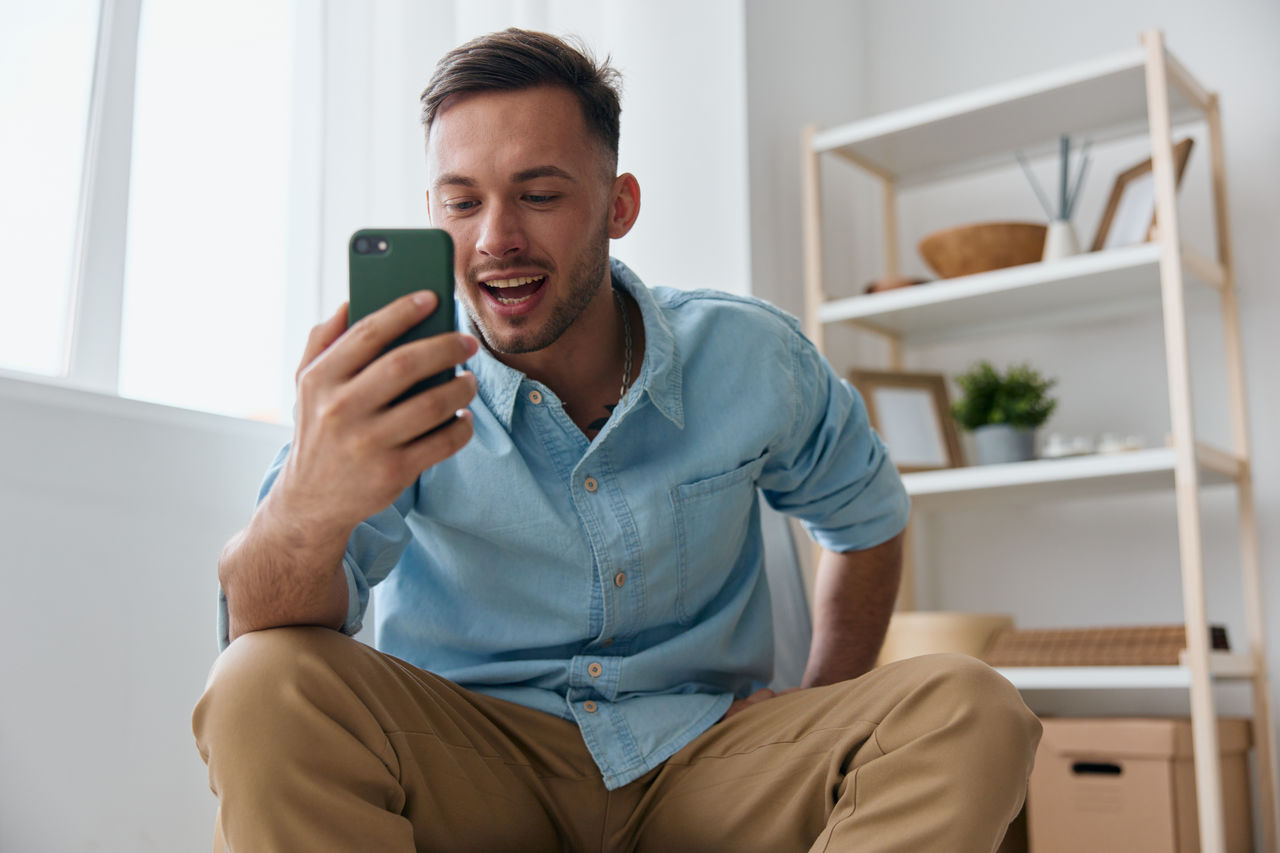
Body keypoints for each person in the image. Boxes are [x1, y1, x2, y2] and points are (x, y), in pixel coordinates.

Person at [194, 27, 1041, 852]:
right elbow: (262, 628)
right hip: (473, 758)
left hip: (705, 758)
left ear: (618, 204)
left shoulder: (752, 357)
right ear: (431, 213)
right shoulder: (386, 388)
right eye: (462, 201)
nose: (495, 238)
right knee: (258, 682)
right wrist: (308, 504)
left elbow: (867, 518)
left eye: (539, 193)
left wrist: (817, 703)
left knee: (971, 705)